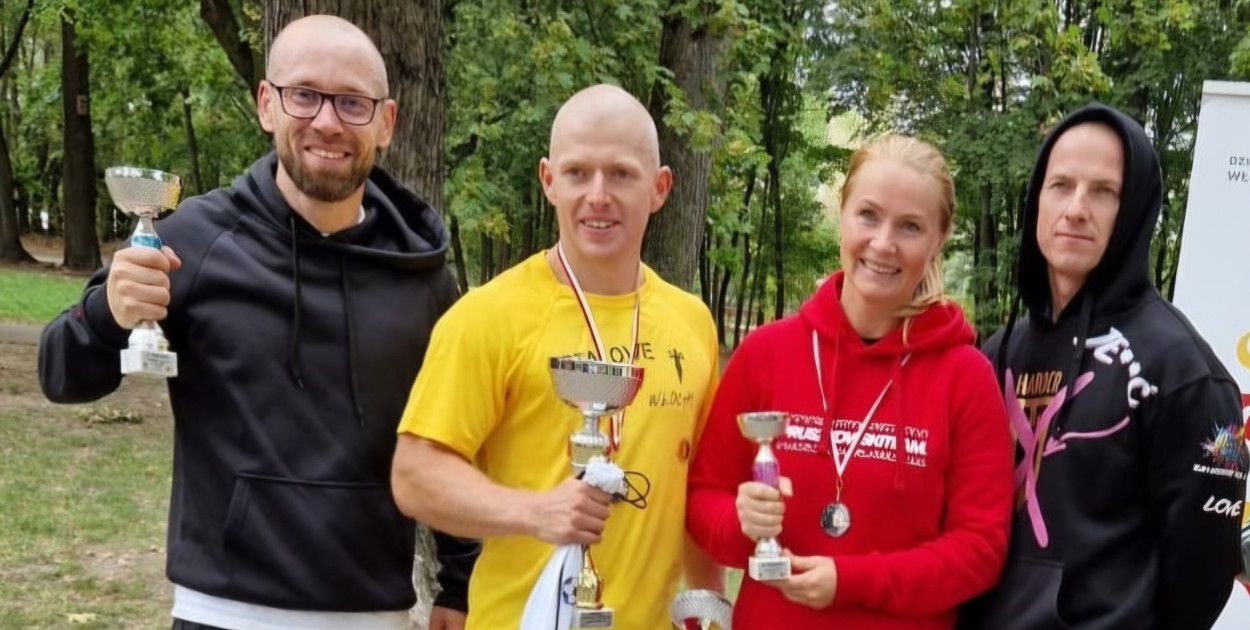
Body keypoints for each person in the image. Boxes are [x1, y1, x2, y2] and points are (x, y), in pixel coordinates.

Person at [37, 15, 475, 630]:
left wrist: (460, 581)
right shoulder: (191, 239)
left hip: (376, 612)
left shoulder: (424, 276)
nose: (327, 121)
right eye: (305, 95)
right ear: (267, 104)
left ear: (387, 122)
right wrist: (107, 314)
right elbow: (60, 373)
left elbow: (452, 441)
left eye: (352, 102)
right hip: (221, 611)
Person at [390, 83, 722, 630]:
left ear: (659, 188)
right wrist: (535, 511)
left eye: (620, 173)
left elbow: (696, 493)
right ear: (548, 180)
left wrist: (711, 611)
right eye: (577, 173)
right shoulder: (489, 316)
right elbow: (414, 475)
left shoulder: (692, 323)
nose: (597, 194)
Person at [686, 135, 1015, 630]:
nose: (883, 243)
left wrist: (851, 580)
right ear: (842, 215)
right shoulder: (765, 354)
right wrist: (741, 522)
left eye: (909, 227)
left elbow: (979, 551)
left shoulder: (966, 378)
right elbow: (701, 501)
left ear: (938, 240)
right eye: (868, 215)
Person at [956, 103, 1249, 630]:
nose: (1076, 208)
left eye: (1104, 191)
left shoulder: (1189, 375)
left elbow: (1201, 578)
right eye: (1061, 185)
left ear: (1133, 209)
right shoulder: (996, 354)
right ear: (1036, 201)